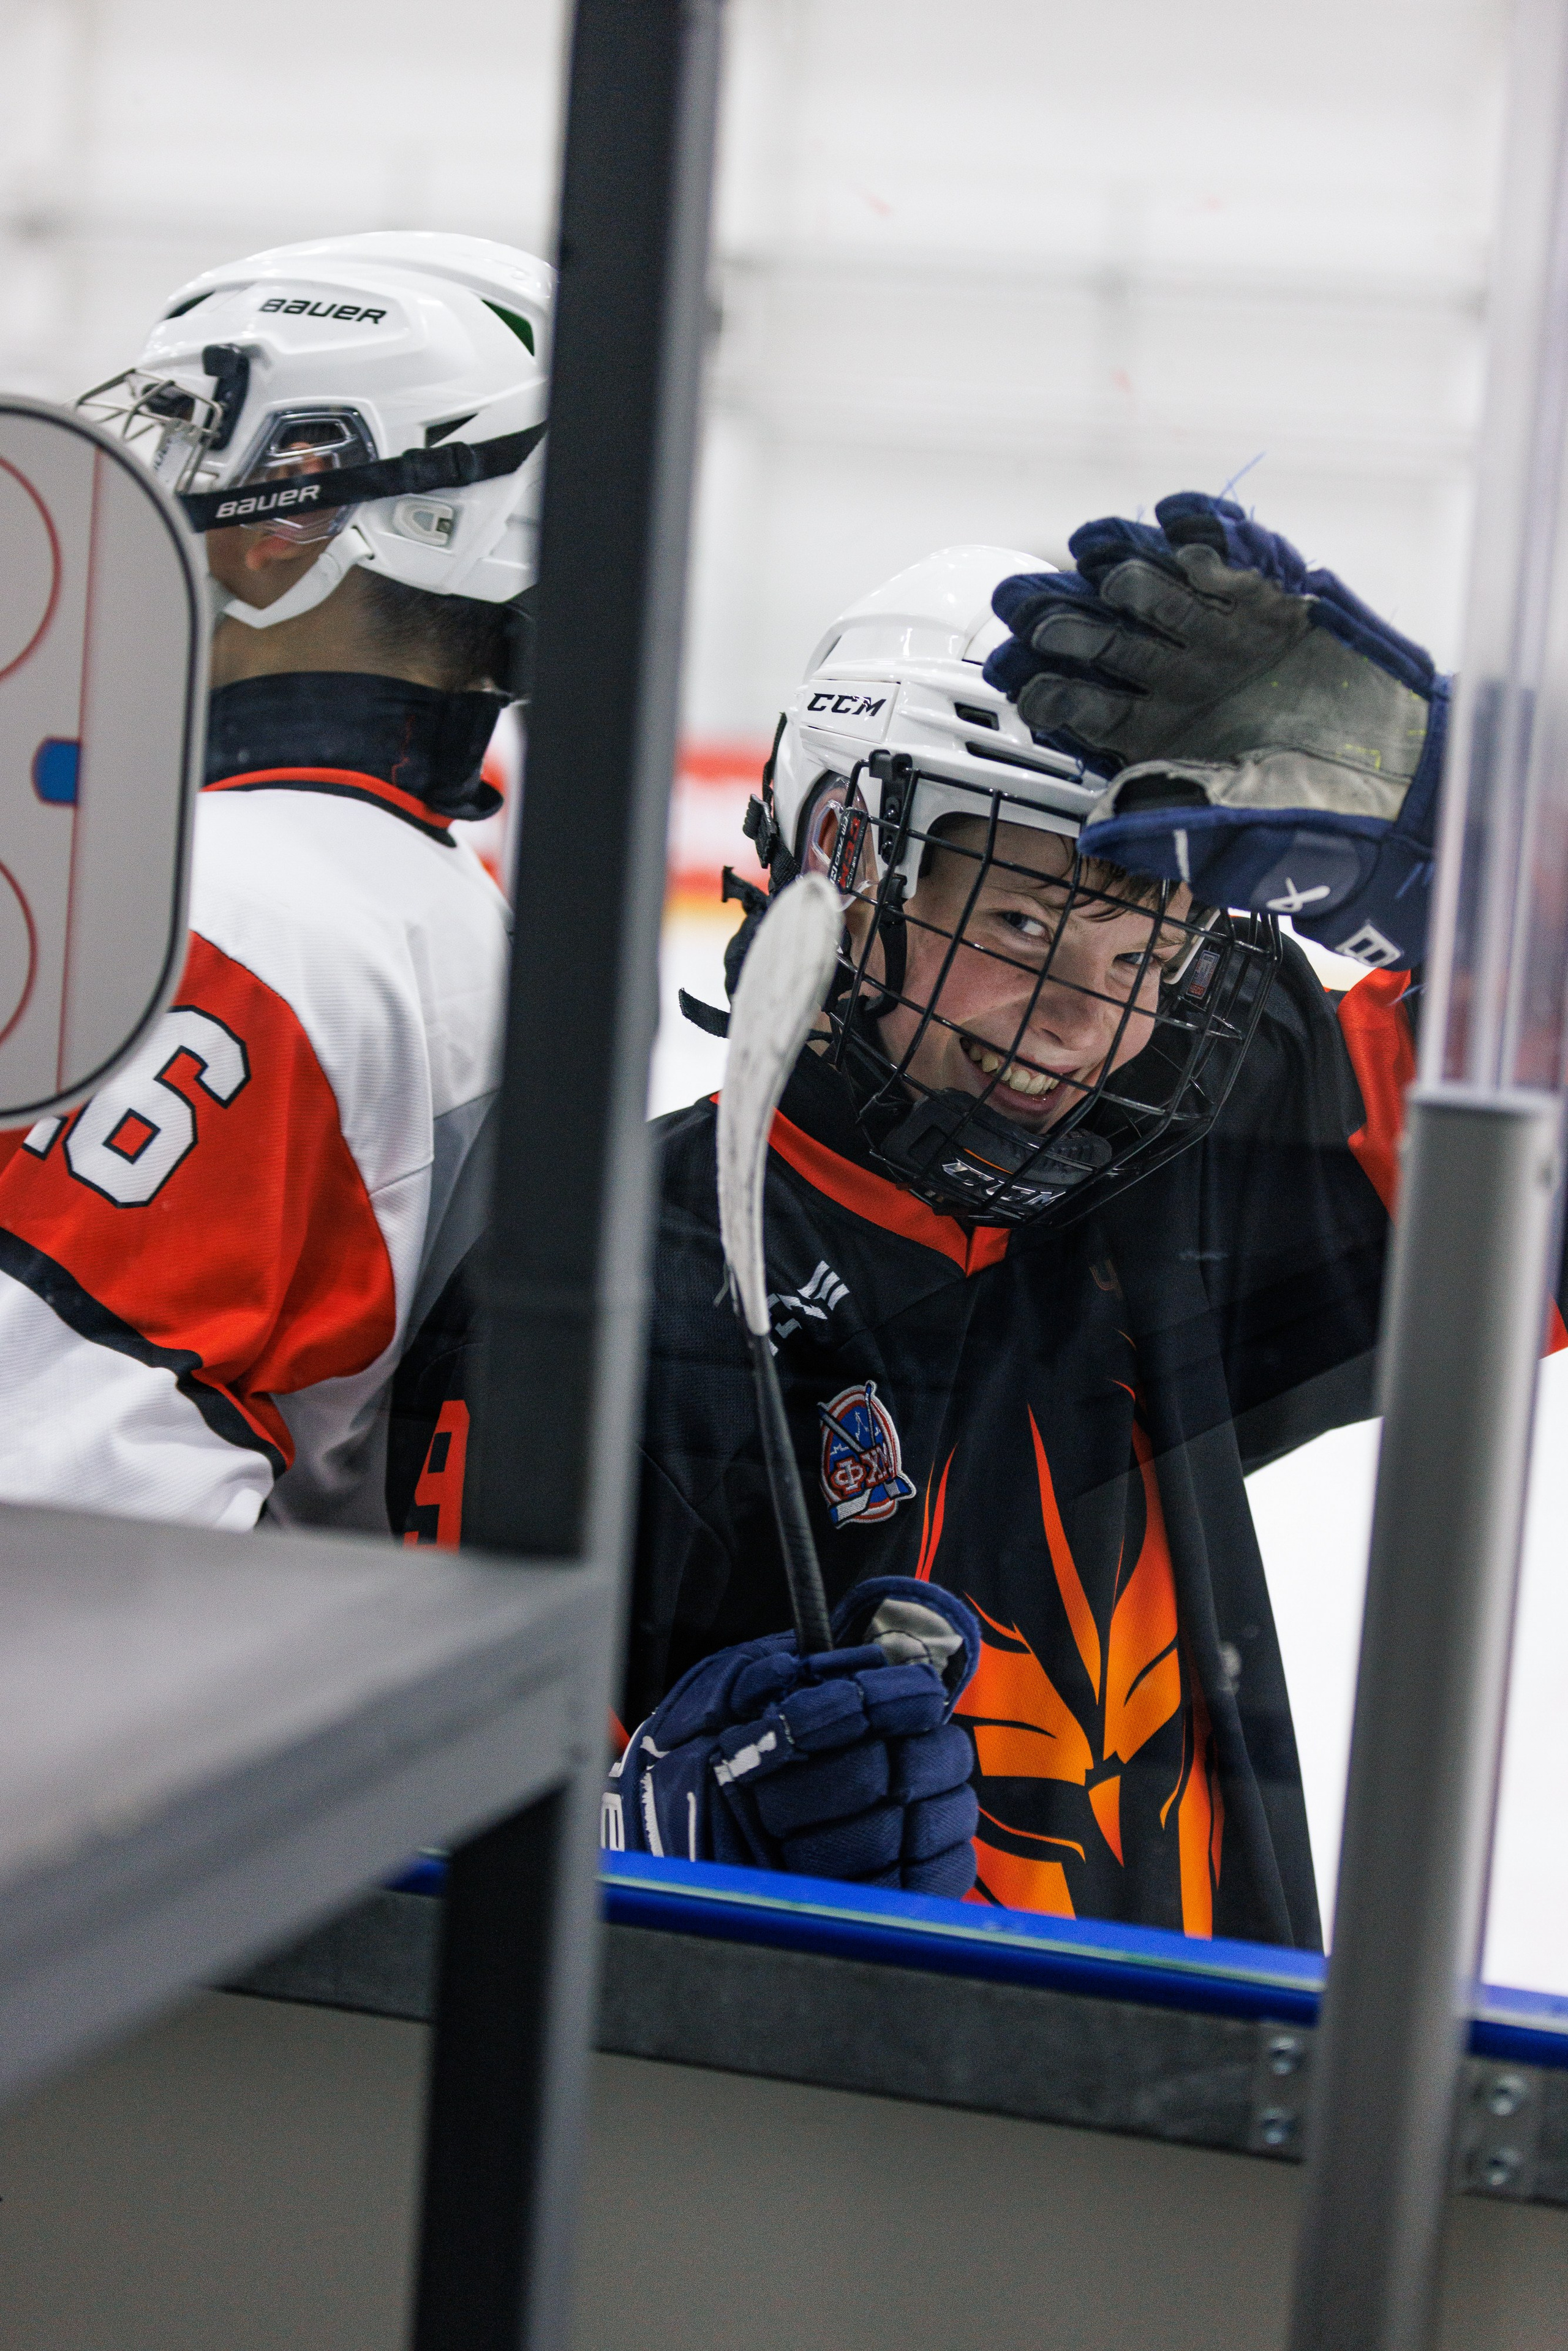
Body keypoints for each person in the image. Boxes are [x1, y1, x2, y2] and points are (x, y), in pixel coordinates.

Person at [394, 503, 1566, 1944]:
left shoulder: (1172, 1177)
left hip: (1200, 2131)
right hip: (793, 2157)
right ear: (845, 861)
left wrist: (1457, 822)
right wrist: (656, 1831)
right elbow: (415, 1867)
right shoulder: (600, 1293)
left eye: (1143, 949)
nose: (1084, 1023)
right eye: (1018, 929)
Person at [0, 230, 551, 1533]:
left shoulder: (214, 913)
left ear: (290, 513)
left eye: (189, 446)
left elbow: (51, 1473)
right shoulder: (458, 923)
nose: (149, 497)